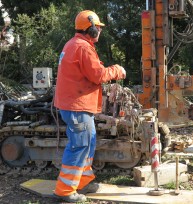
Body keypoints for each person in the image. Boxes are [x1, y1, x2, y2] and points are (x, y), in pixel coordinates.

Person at [53, 10, 126, 203]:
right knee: (80, 146)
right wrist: (117, 70)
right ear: (91, 28)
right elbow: (98, 75)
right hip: (77, 106)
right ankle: (65, 190)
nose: (100, 30)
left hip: (76, 104)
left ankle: (83, 181)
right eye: (98, 27)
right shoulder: (82, 47)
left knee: (88, 143)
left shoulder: (73, 44)